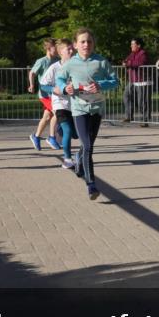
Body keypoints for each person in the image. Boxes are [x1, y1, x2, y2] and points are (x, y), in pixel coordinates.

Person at [57, 28, 118, 201]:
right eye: (82, 41)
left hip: (96, 110)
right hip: (79, 109)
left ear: (93, 44)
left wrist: (101, 85)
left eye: (89, 41)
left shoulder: (101, 62)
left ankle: (78, 159)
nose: (86, 45)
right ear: (76, 45)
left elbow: (115, 81)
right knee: (89, 147)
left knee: (87, 145)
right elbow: (60, 80)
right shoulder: (70, 63)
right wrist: (64, 87)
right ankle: (91, 185)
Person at [41, 38, 77, 169]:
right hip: (59, 103)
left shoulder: (78, 65)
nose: (72, 51)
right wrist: (53, 89)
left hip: (76, 104)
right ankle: (67, 159)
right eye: (68, 49)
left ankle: (60, 130)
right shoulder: (54, 67)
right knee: (68, 131)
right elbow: (43, 85)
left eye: (72, 48)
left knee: (76, 134)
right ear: (61, 52)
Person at [28, 38, 61, 151]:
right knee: (58, 112)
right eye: (55, 48)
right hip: (45, 94)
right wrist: (32, 85)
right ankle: (52, 137)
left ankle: (36, 136)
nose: (57, 50)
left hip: (55, 94)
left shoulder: (58, 60)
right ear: (48, 48)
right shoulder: (42, 61)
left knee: (47, 117)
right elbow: (32, 73)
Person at [123, 38, 152, 127]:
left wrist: (128, 63)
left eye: (133, 44)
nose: (131, 46)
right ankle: (129, 116)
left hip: (142, 81)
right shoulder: (132, 54)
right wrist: (125, 62)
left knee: (142, 101)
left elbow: (140, 62)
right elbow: (126, 61)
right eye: (131, 44)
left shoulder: (143, 53)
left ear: (138, 45)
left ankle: (145, 120)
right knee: (126, 95)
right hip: (132, 80)